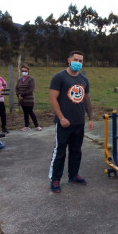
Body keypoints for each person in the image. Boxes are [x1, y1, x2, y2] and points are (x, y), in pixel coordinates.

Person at [48, 51, 94, 193]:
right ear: (69, 60)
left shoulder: (84, 79)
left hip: (79, 122)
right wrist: (61, 118)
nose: (78, 62)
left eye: (81, 60)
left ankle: (73, 175)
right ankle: (55, 179)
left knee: (76, 151)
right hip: (63, 123)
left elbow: (87, 100)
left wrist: (91, 118)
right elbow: (52, 99)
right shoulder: (59, 77)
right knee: (60, 151)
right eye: (75, 59)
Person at [15, 64, 42, 132]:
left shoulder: (31, 79)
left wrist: (23, 95)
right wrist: (18, 95)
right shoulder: (19, 80)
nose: (24, 72)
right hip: (22, 99)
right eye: (22, 71)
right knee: (25, 113)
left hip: (29, 99)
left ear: (28, 71)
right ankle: (26, 126)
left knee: (30, 112)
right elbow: (17, 88)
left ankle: (37, 126)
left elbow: (31, 89)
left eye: (25, 70)